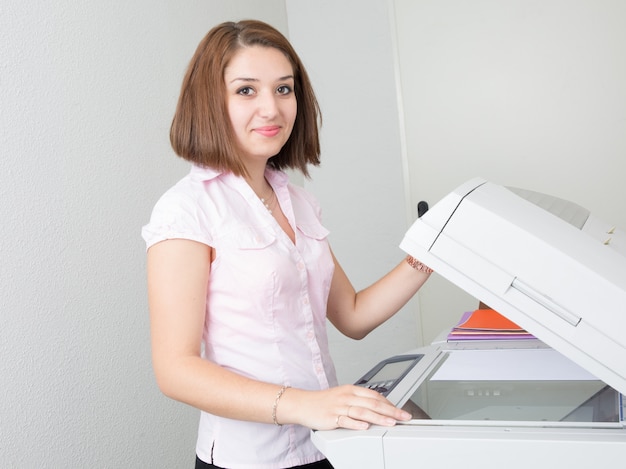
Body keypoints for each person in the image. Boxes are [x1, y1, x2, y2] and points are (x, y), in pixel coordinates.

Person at [142, 19, 433, 469]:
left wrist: (430, 255)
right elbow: (175, 369)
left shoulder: (298, 201)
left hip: (324, 446)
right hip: (248, 459)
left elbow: (352, 315)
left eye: (283, 89)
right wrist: (305, 404)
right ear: (210, 101)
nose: (271, 109)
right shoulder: (186, 208)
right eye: (246, 90)